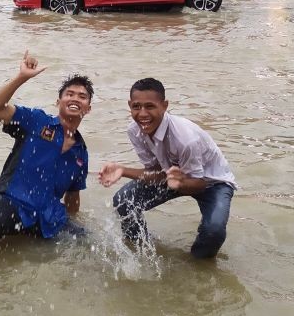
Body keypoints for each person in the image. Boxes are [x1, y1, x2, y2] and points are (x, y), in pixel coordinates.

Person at [98, 78, 236, 259]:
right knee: (124, 200)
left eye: (150, 106)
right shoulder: (135, 130)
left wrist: (179, 183)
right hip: (172, 177)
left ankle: (198, 266)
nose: (142, 114)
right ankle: (142, 249)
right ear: (129, 105)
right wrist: (123, 170)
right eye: (136, 107)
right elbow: (155, 171)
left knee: (214, 231)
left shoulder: (186, 138)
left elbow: (199, 184)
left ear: (164, 106)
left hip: (212, 183)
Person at [0, 51, 94, 247]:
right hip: (14, 204)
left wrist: (76, 222)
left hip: (49, 217)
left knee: (88, 246)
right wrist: (21, 78)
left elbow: (73, 197)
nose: (75, 99)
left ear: (88, 108)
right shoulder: (37, 121)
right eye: (69, 94)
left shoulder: (81, 154)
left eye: (82, 97)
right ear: (58, 102)